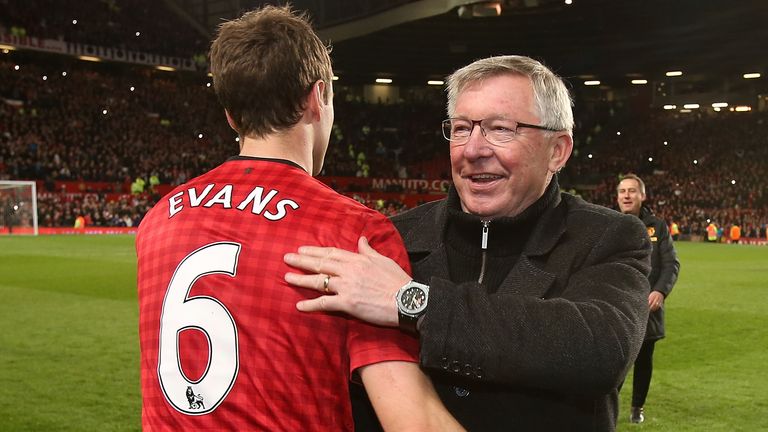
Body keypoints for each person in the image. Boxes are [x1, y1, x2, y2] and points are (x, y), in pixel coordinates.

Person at [136, 6, 461, 432]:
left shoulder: (159, 218)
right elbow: (412, 420)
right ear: (317, 97)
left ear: (231, 115)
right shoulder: (352, 232)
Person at [284, 55, 653, 431]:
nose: (472, 149)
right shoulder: (391, 237)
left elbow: (600, 349)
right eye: (461, 128)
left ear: (557, 150)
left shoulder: (608, 236)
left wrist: (414, 302)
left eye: (501, 129)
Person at [617, 173, 680, 423]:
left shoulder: (658, 227)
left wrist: (660, 291)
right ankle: (604, 407)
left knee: (643, 360)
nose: (627, 196)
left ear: (642, 196)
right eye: (623, 191)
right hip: (615, 306)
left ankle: (636, 409)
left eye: (632, 191)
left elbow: (671, 263)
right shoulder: (606, 222)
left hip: (647, 308)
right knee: (614, 360)